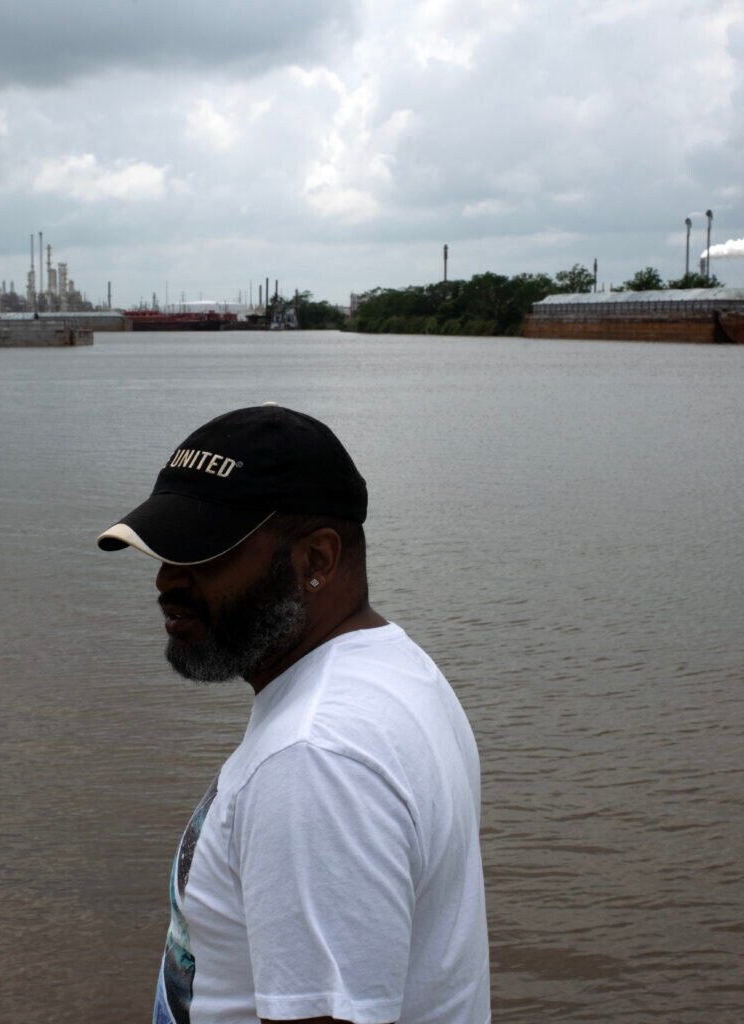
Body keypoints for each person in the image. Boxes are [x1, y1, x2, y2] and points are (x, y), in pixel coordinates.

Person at [98, 403, 491, 1024]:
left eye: (203, 553)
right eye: (166, 553)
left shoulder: (315, 760)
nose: (167, 580)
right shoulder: (397, 670)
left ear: (317, 561)